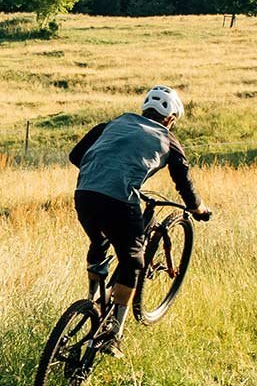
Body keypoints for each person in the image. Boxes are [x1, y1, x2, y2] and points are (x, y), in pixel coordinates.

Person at [68, 86, 210, 357]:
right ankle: (113, 334)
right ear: (170, 119)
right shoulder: (169, 139)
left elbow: (76, 156)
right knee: (133, 260)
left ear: (146, 109)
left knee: (99, 239)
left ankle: (92, 299)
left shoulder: (113, 124)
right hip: (120, 200)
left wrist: (107, 169)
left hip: (84, 193)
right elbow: (185, 184)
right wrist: (200, 209)